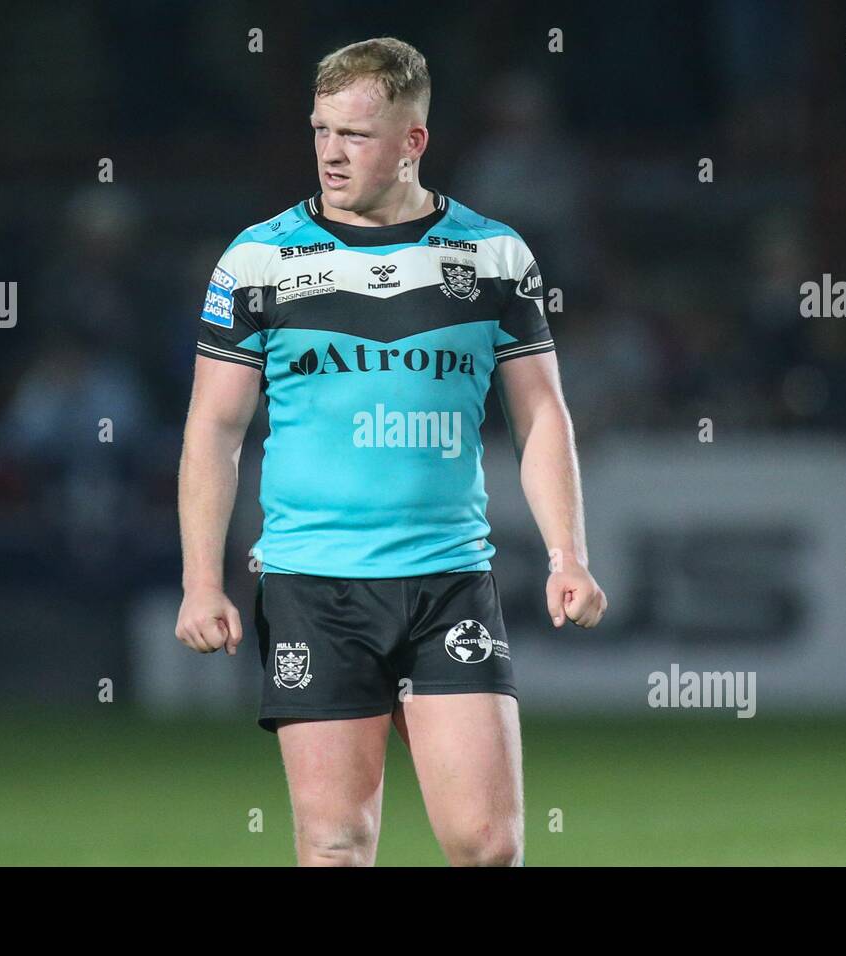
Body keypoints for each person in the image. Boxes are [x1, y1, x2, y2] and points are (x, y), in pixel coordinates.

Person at [176, 36, 606, 866]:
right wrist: (201, 580)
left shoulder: (491, 256)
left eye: (356, 135)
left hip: (448, 581)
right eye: (321, 130)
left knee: (488, 846)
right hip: (314, 585)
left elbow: (541, 415)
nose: (331, 154)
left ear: (413, 142)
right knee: (337, 845)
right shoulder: (258, 259)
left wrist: (568, 554)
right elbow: (215, 428)